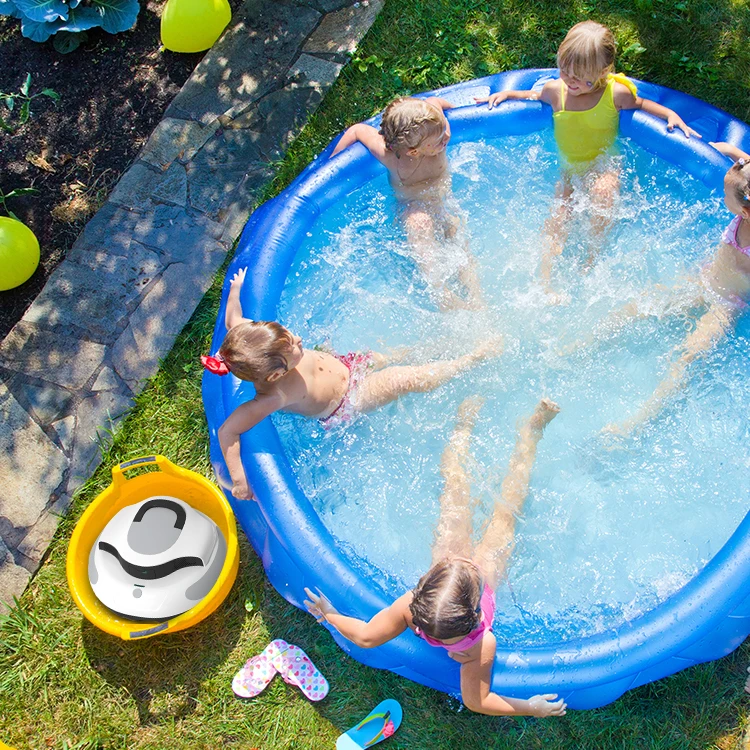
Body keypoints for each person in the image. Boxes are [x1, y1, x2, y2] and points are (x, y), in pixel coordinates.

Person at [304, 396, 567, 717]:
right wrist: (530, 708)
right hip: (482, 574)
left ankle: (463, 426)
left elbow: (366, 636)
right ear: (477, 616)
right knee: (506, 510)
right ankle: (531, 431)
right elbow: (477, 700)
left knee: (455, 487)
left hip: (447, 562)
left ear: (423, 588)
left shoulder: (410, 608)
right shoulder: (479, 644)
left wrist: (329, 615)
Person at [204, 268, 504, 500]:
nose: (298, 339)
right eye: (292, 347)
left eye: (289, 334)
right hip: (349, 400)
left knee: (399, 355)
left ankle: (448, 348)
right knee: (407, 379)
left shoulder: (252, 340)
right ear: (274, 376)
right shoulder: (273, 397)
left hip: (347, 364)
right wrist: (240, 480)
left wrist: (236, 288)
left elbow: (234, 319)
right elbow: (229, 430)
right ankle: (471, 360)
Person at [476, 20, 700, 296]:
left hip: (604, 164)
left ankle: (592, 256)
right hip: (571, 168)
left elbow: (641, 105)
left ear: (604, 72)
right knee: (559, 214)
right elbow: (532, 95)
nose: (572, 83)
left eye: (583, 79)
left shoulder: (615, 94)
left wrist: (669, 114)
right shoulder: (555, 92)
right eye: (565, 73)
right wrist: (509, 93)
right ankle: (545, 279)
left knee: (604, 192)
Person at [580, 144, 750, 435]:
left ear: (745, 212)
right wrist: (720, 149)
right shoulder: (746, 189)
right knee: (639, 306)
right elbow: (739, 159)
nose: (723, 199)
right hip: (702, 278)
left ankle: (635, 423)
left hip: (726, 302)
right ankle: (580, 346)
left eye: (725, 197)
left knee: (688, 357)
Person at [331, 96, 483, 310]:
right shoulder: (391, 157)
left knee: (454, 231)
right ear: (413, 151)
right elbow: (357, 130)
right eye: (439, 139)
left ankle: (476, 297)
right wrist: (333, 164)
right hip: (412, 206)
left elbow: (434, 102)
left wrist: (453, 108)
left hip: (441, 201)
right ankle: (439, 290)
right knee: (419, 223)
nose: (446, 137)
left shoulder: (439, 131)